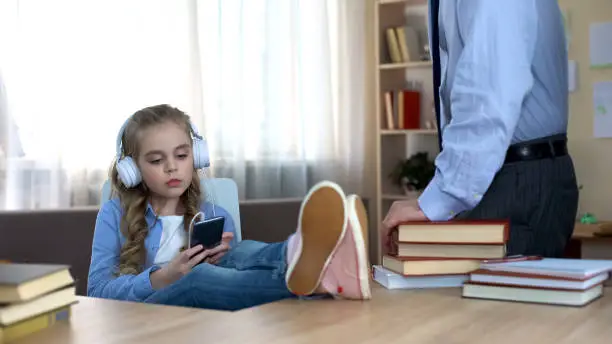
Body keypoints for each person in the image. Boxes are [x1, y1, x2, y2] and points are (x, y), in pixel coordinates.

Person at [87, 104, 371, 311]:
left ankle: (304, 256)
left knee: (241, 252)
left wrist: (220, 261)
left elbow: (238, 280)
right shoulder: (114, 214)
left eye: (182, 155)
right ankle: (328, 275)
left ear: (196, 157)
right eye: (156, 160)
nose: (172, 166)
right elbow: (96, 291)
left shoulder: (214, 215)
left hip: (207, 315)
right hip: (148, 319)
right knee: (198, 277)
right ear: (132, 170)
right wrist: (165, 276)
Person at [382, 0, 578, 258]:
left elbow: (487, 99)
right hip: (506, 172)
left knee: (485, 298)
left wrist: (436, 202)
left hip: (516, 180)